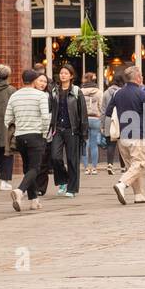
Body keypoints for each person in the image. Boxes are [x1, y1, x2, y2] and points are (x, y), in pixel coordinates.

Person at [5, 69, 50, 212]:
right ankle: (20, 191)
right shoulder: (41, 96)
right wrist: (44, 133)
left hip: (20, 136)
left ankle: (34, 201)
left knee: (27, 168)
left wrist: (18, 125)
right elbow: (45, 117)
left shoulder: (14, 96)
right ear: (35, 80)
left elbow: (7, 119)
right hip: (36, 135)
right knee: (35, 168)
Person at [110, 65, 145, 205]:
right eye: (141, 75)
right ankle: (122, 184)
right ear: (137, 78)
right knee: (139, 164)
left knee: (132, 167)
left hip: (122, 136)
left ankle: (139, 194)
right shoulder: (142, 93)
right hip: (137, 133)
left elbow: (108, 112)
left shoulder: (117, 93)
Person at [48, 64, 87, 196]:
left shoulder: (76, 91)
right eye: (61, 73)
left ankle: (72, 189)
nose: (62, 75)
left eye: (66, 73)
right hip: (57, 129)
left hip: (72, 129)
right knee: (55, 157)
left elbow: (83, 113)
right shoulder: (54, 91)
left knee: (72, 160)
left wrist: (84, 132)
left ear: (71, 76)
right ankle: (63, 180)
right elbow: (50, 110)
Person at [100, 66, 128, 176]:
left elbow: (103, 110)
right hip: (120, 120)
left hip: (108, 119)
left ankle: (110, 165)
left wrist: (102, 124)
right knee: (121, 145)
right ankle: (122, 167)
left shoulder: (106, 93)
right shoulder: (123, 92)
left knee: (110, 144)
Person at [80, 71, 104, 176]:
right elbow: (101, 107)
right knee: (94, 145)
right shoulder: (99, 92)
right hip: (95, 119)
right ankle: (94, 168)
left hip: (84, 120)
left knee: (85, 144)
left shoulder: (80, 91)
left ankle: (86, 168)